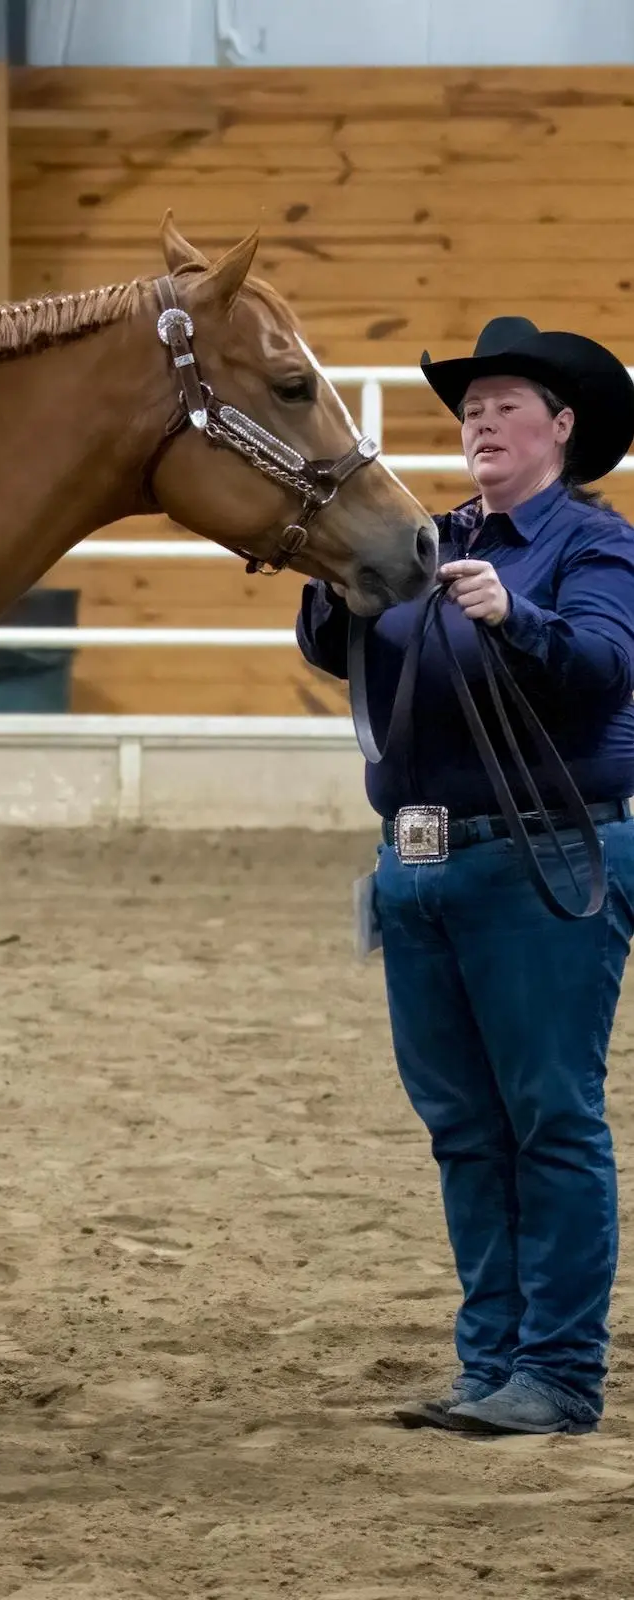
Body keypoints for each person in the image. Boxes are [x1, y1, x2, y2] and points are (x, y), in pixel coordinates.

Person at [297, 316, 634, 1436]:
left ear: (564, 427)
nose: (480, 421)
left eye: (504, 404)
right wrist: (322, 573)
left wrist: (518, 616)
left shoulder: (594, 544)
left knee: (549, 1114)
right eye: (470, 407)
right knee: (464, 1124)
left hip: (545, 855)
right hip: (423, 862)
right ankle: (492, 1363)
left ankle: (560, 1371)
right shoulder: (423, 538)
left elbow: (603, 669)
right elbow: (336, 643)